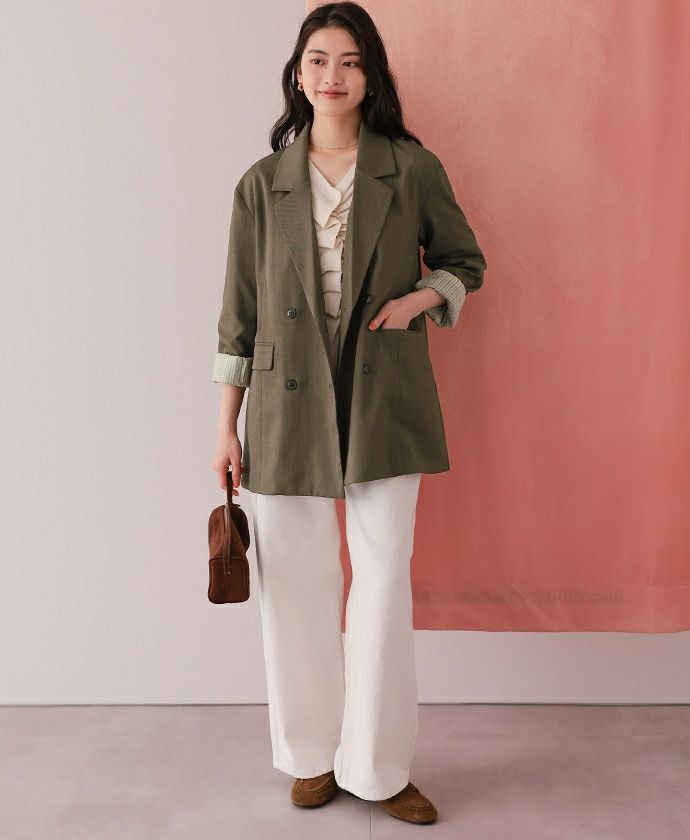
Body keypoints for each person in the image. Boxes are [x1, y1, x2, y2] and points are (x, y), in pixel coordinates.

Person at [210, 1, 487, 825]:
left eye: (350, 61)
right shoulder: (261, 184)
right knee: (294, 582)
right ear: (298, 74)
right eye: (318, 60)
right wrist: (225, 427)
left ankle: (378, 766)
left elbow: (465, 260)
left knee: (382, 583)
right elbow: (237, 316)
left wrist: (418, 301)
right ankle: (311, 757)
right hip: (283, 404)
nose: (332, 76)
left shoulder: (412, 167)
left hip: (383, 395)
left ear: (371, 76)